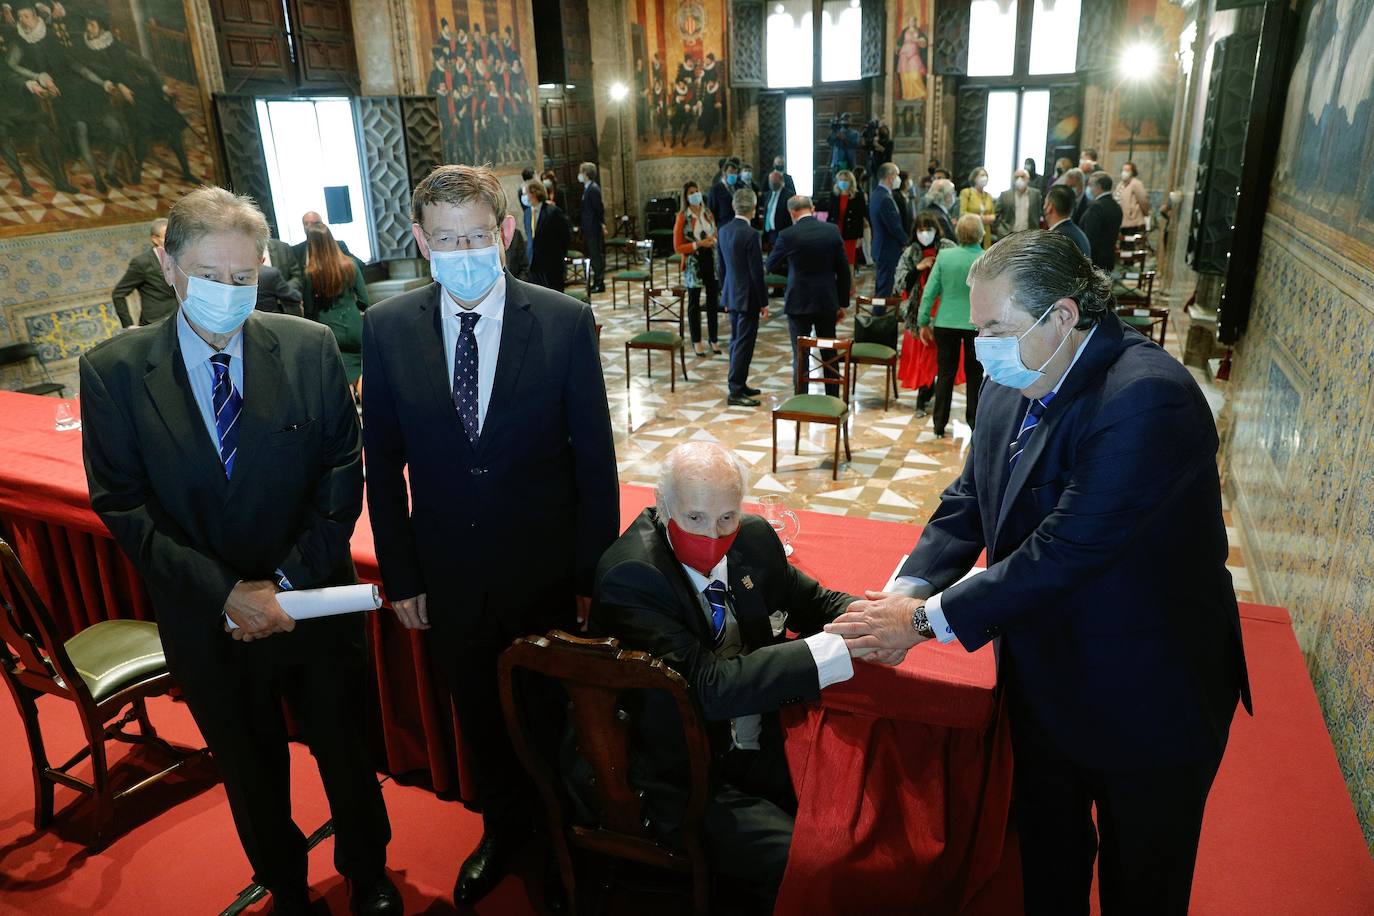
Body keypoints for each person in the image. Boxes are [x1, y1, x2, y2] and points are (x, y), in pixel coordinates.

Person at [826, 230, 1250, 916]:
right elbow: (969, 501)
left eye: (996, 327)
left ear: (1060, 316)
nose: (981, 343)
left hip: (1147, 696)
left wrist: (921, 622)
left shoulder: (1146, 399)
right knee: (1048, 861)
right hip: (1047, 679)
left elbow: (1064, 551)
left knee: (1141, 883)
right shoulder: (1009, 379)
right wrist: (904, 588)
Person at [79, 187, 398, 915]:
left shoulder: (308, 347)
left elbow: (341, 478)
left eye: (243, 277)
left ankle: (368, 871)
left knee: (347, 751)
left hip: (312, 600)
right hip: (207, 617)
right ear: (167, 264)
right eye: (209, 276)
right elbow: (123, 504)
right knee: (251, 771)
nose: (228, 293)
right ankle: (285, 886)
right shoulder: (115, 373)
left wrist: (280, 584)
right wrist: (227, 593)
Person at [362, 164, 618, 906]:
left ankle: (566, 843)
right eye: (445, 240)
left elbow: (594, 462)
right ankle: (503, 831)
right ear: (420, 241)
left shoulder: (564, 321)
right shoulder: (388, 328)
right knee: (477, 714)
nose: (462, 251)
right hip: (446, 573)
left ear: (505, 232)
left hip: (542, 571)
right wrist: (401, 574)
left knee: (549, 718)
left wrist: (588, 578)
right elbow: (381, 462)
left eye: (476, 235)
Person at [589, 442, 863, 909]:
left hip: (752, 741)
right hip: (676, 771)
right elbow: (709, 689)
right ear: (664, 506)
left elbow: (815, 602)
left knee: (848, 813)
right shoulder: (632, 575)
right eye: (694, 518)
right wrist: (834, 650)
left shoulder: (753, 538)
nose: (713, 535)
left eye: (726, 518)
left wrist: (872, 620)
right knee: (804, 856)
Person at [766, 195, 850, 397]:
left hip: (798, 301)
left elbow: (771, 265)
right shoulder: (831, 231)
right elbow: (844, 271)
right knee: (829, 351)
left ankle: (801, 397)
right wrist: (842, 304)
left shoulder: (788, 235)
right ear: (811, 208)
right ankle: (833, 397)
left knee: (801, 353)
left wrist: (793, 269)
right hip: (826, 300)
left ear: (792, 212)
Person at [915, 214, 984, 438]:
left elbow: (930, 291)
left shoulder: (944, 256)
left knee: (945, 373)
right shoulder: (985, 258)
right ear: (980, 233)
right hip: (975, 323)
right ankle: (974, 421)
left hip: (945, 321)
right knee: (975, 373)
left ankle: (938, 424)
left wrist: (923, 320)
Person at [894, 212, 957, 415]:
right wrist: (918, 268)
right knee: (923, 357)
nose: (925, 234)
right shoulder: (911, 252)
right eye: (921, 230)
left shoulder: (947, 247)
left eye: (928, 229)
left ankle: (933, 394)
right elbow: (900, 282)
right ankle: (922, 398)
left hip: (944, 310)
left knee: (941, 357)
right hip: (919, 312)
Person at [302, 223, 369, 394]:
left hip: (329, 330)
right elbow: (364, 300)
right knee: (361, 374)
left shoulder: (311, 272)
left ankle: (352, 420)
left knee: (342, 378)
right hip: (354, 326)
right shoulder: (350, 265)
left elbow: (309, 310)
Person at [716, 188, 768, 406]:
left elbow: (721, 267)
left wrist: (724, 294)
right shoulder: (751, 234)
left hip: (732, 294)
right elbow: (756, 272)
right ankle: (735, 390)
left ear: (734, 206)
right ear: (753, 209)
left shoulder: (724, 230)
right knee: (743, 344)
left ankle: (739, 383)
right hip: (747, 297)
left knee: (736, 341)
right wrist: (764, 302)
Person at [674, 180, 721, 356]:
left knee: (712, 301)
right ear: (686, 197)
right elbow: (678, 247)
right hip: (694, 262)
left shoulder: (707, 213)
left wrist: (712, 241)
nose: (695, 194)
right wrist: (698, 244)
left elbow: (715, 233)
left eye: (697, 191)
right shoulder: (682, 217)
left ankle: (714, 339)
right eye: (691, 192)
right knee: (694, 303)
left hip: (711, 259)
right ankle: (696, 341)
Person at [111, 218, 178, 327]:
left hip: (181, 321)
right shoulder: (142, 263)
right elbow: (118, 294)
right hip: (155, 324)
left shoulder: (181, 258)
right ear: (155, 239)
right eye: (167, 236)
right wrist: (128, 325)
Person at [521, 177, 572, 292]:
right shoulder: (527, 213)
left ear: (534, 192)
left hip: (551, 265)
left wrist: (558, 255)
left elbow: (565, 236)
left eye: (525, 193)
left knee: (555, 300)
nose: (523, 197)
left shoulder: (552, 212)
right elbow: (530, 237)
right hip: (533, 265)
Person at [869, 162, 906, 298]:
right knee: (885, 287)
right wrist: (906, 242)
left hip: (881, 247)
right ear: (890, 176)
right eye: (897, 175)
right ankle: (880, 315)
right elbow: (893, 226)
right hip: (887, 248)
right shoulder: (885, 198)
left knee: (882, 285)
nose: (898, 179)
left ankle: (880, 313)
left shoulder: (877, 193)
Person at [1080, 171, 1123, 272]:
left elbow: (1090, 237)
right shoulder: (1116, 206)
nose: (1089, 189)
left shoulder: (1096, 207)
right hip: (1108, 259)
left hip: (1095, 261)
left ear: (1098, 187)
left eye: (1090, 185)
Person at [577, 161, 606, 292]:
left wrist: (602, 223)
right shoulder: (587, 188)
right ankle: (596, 282)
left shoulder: (593, 189)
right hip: (589, 227)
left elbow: (599, 209)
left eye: (581, 172)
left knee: (596, 256)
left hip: (593, 227)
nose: (580, 175)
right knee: (593, 255)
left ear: (586, 174)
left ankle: (600, 283)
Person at [993, 168, 1044, 241]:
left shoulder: (1036, 194)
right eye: (1017, 177)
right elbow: (995, 214)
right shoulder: (1005, 195)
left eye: (1022, 176)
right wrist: (999, 229)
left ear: (1028, 178)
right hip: (1008, 235)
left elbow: (1039, 212)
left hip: (1030, 235)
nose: (1019, 179)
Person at [831, 169, 866, 268]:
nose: (843, 183)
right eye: (841, 180)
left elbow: (860, 217)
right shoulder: (834, 195)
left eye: (846, 180)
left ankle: (850, 282)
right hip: (836, 232)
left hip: (851, 233)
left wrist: (860, 236)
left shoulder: (858, 196)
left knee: (849, 261)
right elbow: (831, 215)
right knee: (836, 260)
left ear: (851, 182)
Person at [1044, 184, 1091, 258]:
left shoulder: (1055, 239)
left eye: (1045, 202)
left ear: (1050, 207)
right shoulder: (1079, 234)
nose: (1044, 206)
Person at [959, 166, 996, 249]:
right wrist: (979, 218)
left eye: (986, 175)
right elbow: (962, 212)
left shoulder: (988, 196)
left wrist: (989, 218)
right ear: (974, 178)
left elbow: (993, 214)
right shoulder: (966, 192)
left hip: (985, 231)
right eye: (982, 175)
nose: (985, 178)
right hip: (970, 229)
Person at [759, 169, 794, 248]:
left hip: (782, 232)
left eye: (774, 182)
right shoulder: (768, 194)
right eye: (770, 181)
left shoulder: (789, 195)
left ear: (781, 181)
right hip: (769, 232)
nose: (772, 184)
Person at [1115, 161, 1150, 236]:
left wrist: (1145, 213)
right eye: (1123, 170)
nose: (1124, 172)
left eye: (1127, 170)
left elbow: (1143, 199)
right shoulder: (1120, 185)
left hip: (1133, 221)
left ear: (1132, 172)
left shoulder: (1136, 183)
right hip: (1121, 220)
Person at [708, 158, 741, 228]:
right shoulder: (715, 190)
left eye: (735, 173)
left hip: (737, 226)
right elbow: (711, 212)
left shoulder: (738, 187)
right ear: (724, 173)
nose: (733, 175)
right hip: (723, 226)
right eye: (731, 172)